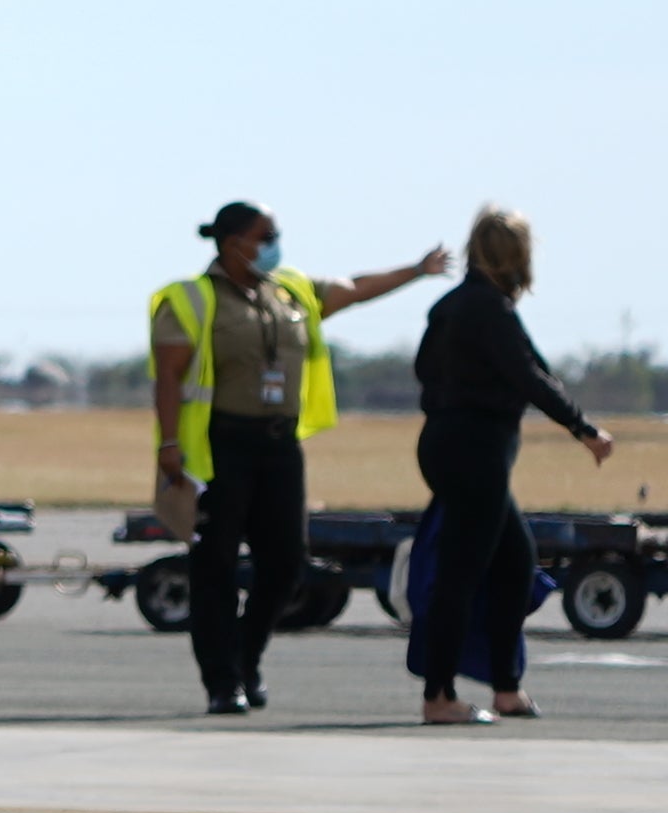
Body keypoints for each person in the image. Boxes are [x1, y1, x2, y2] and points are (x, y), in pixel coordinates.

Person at [150, 203, 443, 718]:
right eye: (265, 236)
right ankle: (222, 681)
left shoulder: (289, 290)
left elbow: (353, 288)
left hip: (280, 445)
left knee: (285, 563)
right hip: (222, 446)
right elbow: (169, 377)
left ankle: (247, 655)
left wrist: (416, 271)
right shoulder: (191, 300)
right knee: (215, 567)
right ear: (233, 241)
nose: (273, 244)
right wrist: (169, 446)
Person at [410, 205, 611, 726]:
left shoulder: (454, 305)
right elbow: (529, 376)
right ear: (514, 258)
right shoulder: (489, 310)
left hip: (449, 442)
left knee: (514, 563)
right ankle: (439, 698)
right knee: (461, 572)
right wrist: (582, 428)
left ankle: (505, 688)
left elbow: (425, 368)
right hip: (475, 449)